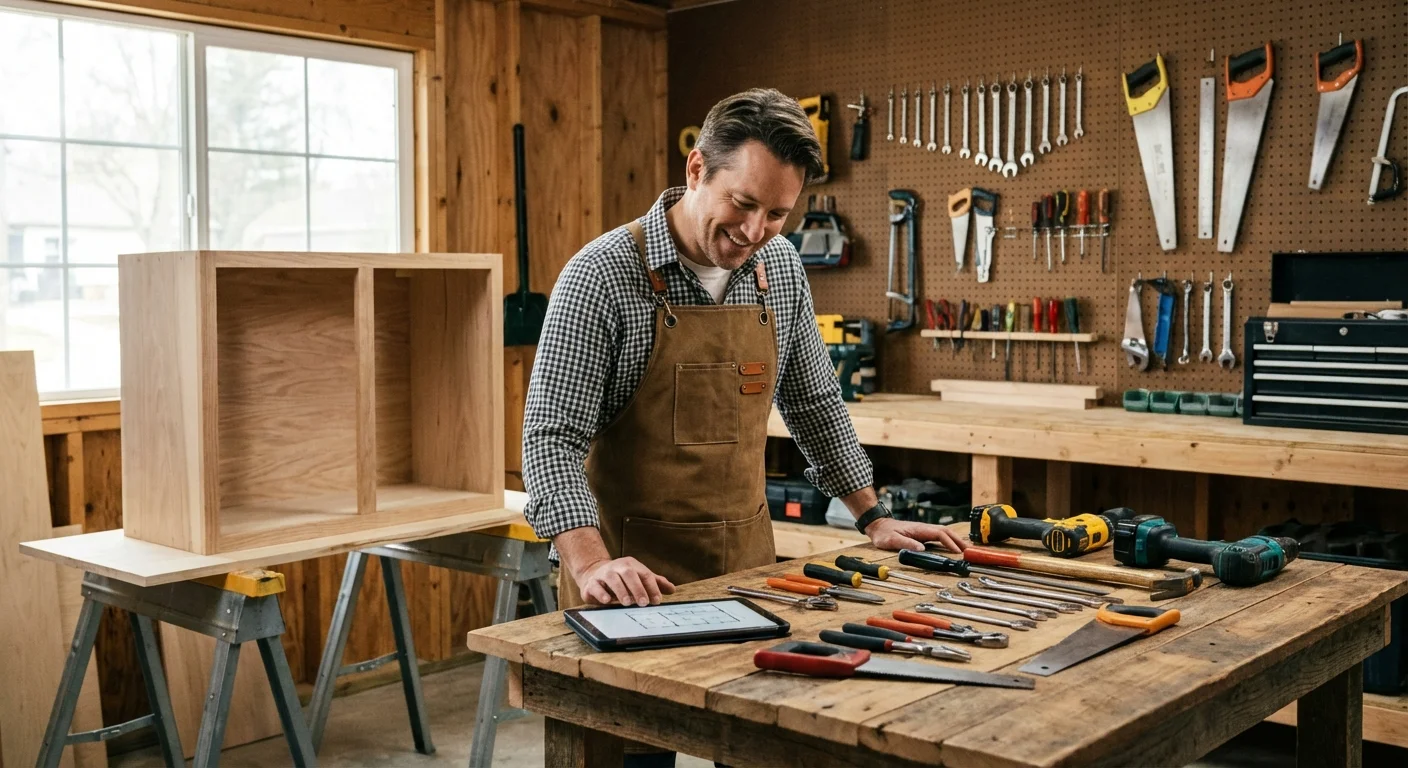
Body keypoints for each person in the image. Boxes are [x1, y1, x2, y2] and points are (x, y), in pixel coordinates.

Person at [522, 85, 968, 768]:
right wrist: (591, 563)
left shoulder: (780, 269)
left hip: (749, 573)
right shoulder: (602, 277)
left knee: (759, 748)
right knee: (633, 754)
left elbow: (815, 401)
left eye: (778, 214)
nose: (756, 231)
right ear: (697, 170)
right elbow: (551, 439)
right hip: (633, 579)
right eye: (744, 204)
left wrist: (872, 515)